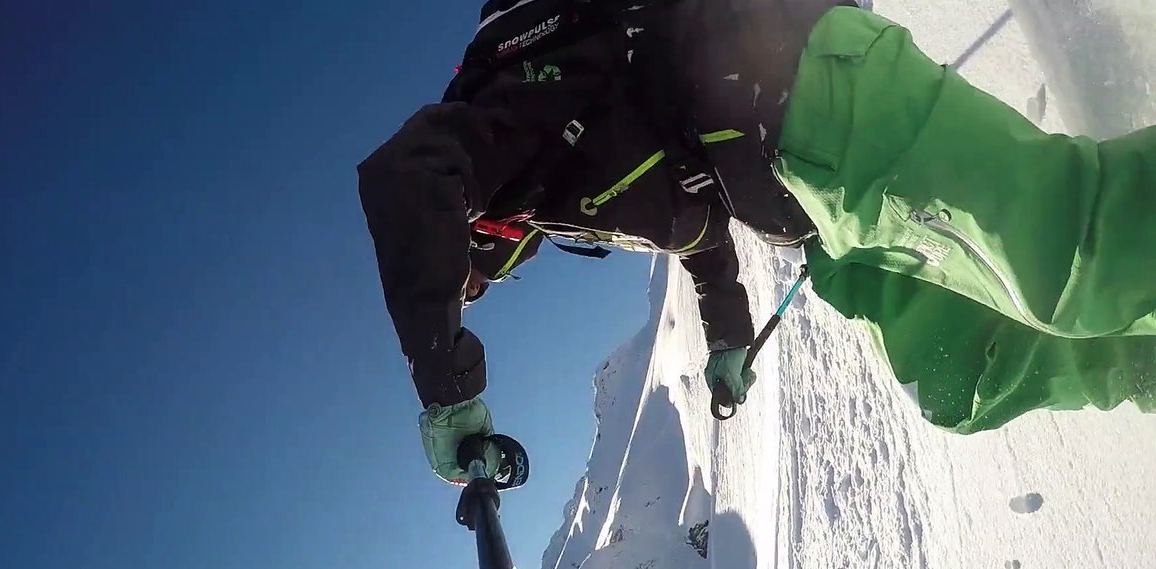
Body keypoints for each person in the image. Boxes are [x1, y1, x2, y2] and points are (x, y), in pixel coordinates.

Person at [358, 0, 1156, 484]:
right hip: (810, 203)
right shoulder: (552, 190)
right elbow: (701, 243)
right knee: (966, 381)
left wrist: (447, 386)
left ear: (468, 236)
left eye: (472, 279)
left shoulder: (503, 112)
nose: (484, 282)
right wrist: (728, 342)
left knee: (1074, 268)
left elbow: (405, 176)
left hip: (802, 91)